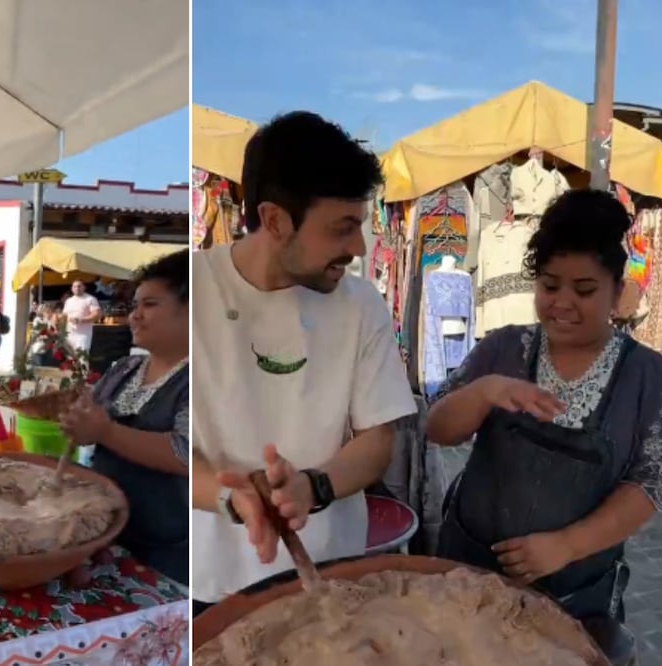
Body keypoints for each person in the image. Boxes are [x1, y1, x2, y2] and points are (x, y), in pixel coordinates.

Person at [426, 189, 662, 657]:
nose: (562, 303)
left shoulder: (645, 376)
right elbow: (438, 429)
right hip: (466, 574)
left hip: (573, 595)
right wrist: (483, 393)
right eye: (549, 286)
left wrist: (567, 545)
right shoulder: (503, 348)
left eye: (584, 290)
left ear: (616, 287)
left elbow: (650, 486)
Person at [190, 112, 417, 614]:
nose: (358, 249)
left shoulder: (362, 305)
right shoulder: (191, 291)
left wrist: (312, 487)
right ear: (275, 220)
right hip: (208, 584)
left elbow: (378, 442)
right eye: (342, 229)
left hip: (330, 577)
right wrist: (229, 497)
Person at [59, 249, 190, 585]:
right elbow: (91, 424)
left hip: (167, 553)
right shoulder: (125, 368)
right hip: (105, 536)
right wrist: (78, 422)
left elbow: (187, 454)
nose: (135, 316)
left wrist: (105, 432)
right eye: (135, 306)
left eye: (149, 305)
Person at [62, 280, 102, 352]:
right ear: (72, 288)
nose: (77, 288)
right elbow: (64, 316)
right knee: (69, 358)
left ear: (84, 287)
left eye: (79, 286)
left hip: (83, 334)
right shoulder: (69, 301)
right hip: (69, 334)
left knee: (82, 357)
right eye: (74, 286)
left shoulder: (90, 299)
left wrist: (81, 320)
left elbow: (97, 315)